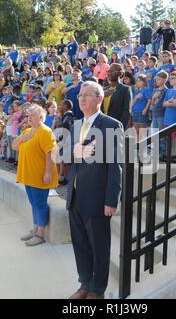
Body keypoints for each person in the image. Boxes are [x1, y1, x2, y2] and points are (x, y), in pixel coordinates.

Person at [66, 81, 124, 299]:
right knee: (80, 245)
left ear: (99, 99)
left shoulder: (111, 125)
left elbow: (116, 164)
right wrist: (76, 150)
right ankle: (85, 284)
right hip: (74, 196)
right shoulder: (75, 124)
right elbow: (67, 156)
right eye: (80, 95)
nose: (81, 99)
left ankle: (97, 290)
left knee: (99, 247)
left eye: (87, 95)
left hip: (98, 198)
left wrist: (112, 199)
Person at [14, 104, 59, 247]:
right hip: (28, 175)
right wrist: (24, 137)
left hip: (39, 175)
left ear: (41, 117)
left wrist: (47, 173)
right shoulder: (27, 130)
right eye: (28, 115)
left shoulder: (45, 132)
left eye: (32, 115)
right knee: (33, 203)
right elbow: (14, 146)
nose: (29, 118)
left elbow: (50, 153)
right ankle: (35, 229)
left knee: (40, 204)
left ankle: (40, 234)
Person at [101, 63, 132, 128]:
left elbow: (126, 111)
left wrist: (121, 127)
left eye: (112, 71)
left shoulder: (125, 89)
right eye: (108, 71)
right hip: (102, 125)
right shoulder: (103, 89)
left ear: (120, 73)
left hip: (116, 125)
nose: (109, 73)